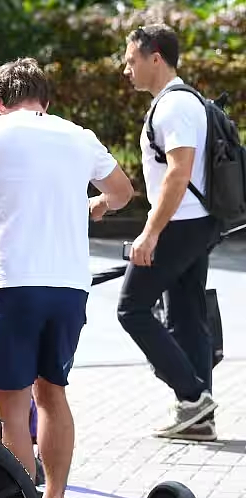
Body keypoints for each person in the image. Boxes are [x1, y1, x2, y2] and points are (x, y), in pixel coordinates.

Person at [0, 58, 133, 498]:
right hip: (69, 286)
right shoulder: (78, 135)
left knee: (12, 407)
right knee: (53, 393)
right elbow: (124, 192)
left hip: (12, 284)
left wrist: (4, 199)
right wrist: (91, 203)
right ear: (45, 101)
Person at [118, 24, 218, 441]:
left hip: (180, 223)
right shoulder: (185, 100)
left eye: (131, 60)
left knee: (132, 308)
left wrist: (150, 233)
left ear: (154, 57)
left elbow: (178, 172)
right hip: (199, 221)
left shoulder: (174, 106)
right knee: (185, 313)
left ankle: (193, 395)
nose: (127, 70)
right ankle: (200, 419)